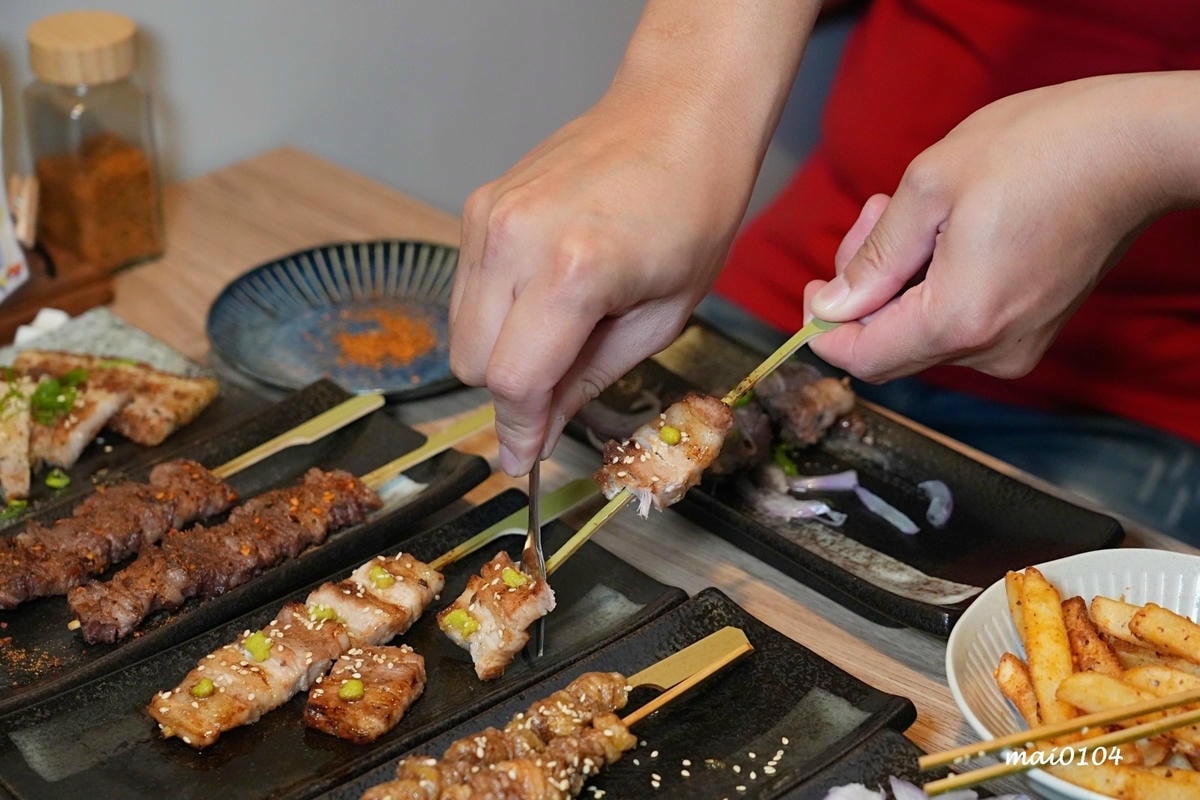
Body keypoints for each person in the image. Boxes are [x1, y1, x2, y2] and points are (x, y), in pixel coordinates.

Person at [448, 0, 1200, 538]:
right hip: (810, 271)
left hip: (1132, 386)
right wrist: (681, 90)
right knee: (635, 542)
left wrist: (1142, 145)